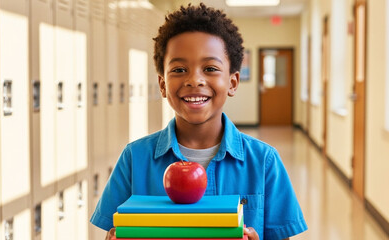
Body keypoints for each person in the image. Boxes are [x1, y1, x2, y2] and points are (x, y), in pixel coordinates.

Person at [90, 3, 307, 240]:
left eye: (210, 68)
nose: (195, 80)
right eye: (180, 69)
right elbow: (113, 232)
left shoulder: (264, 162)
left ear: (233, 82)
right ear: (162, 84)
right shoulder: (135, 159)